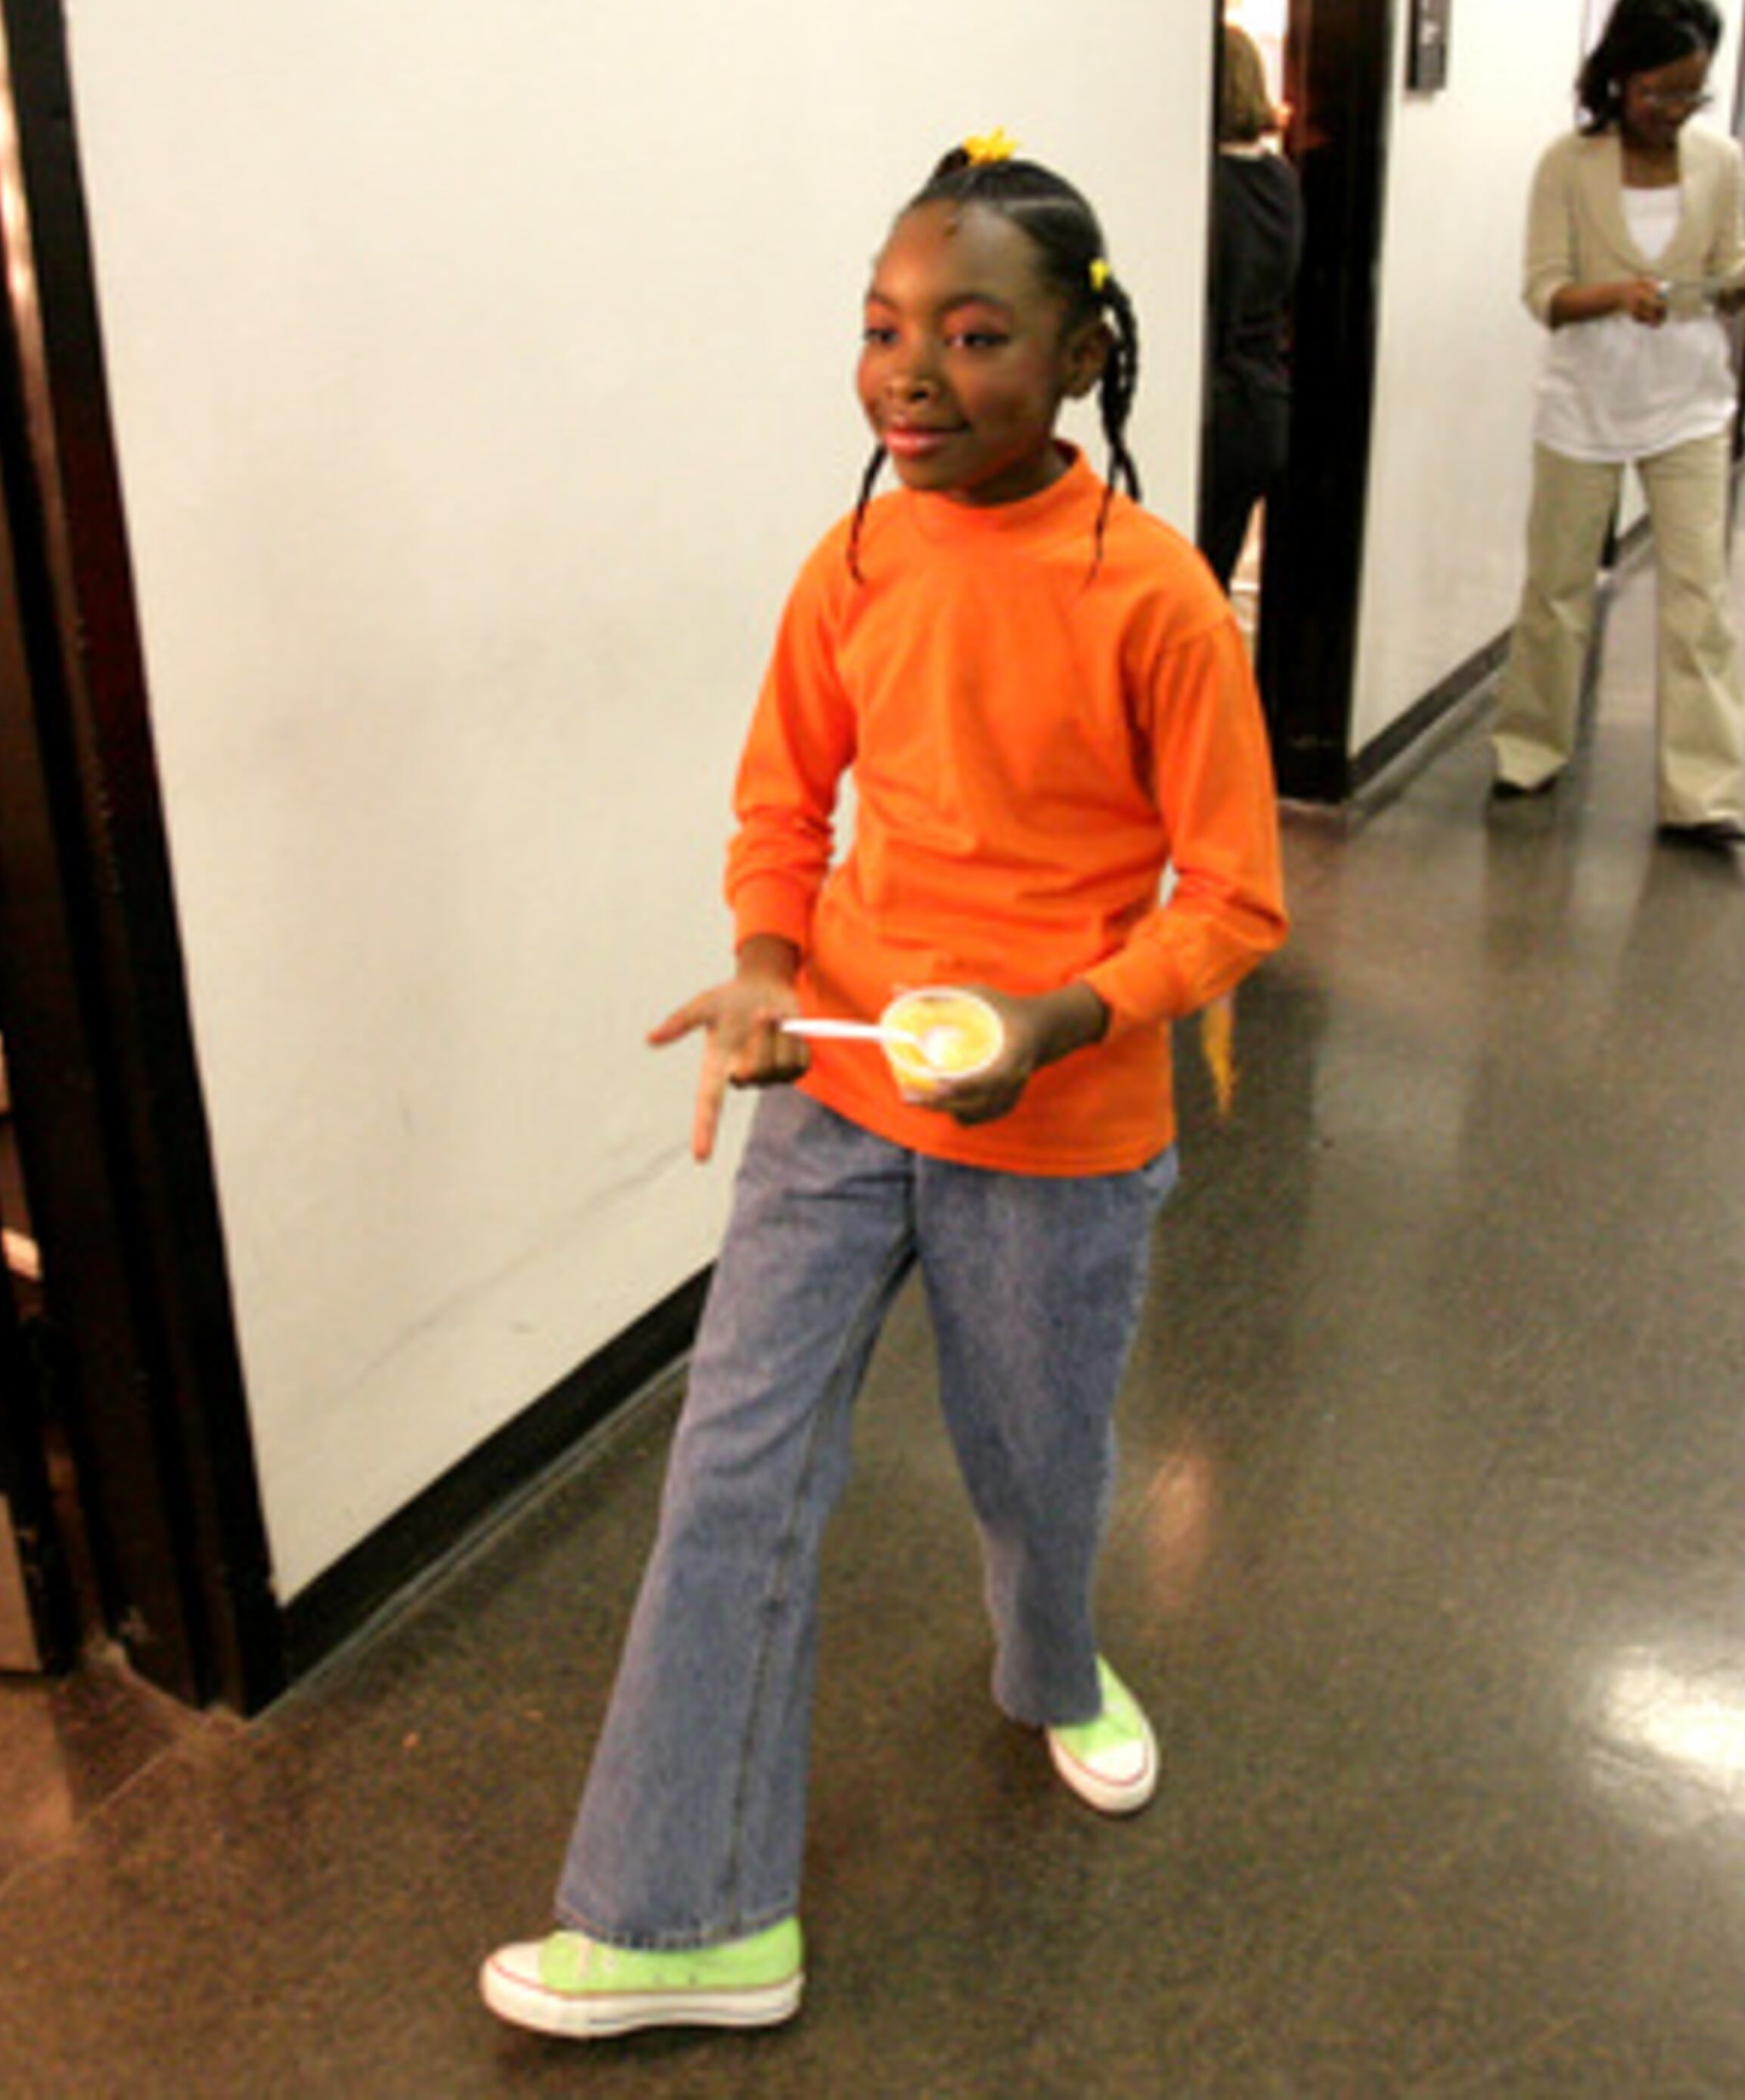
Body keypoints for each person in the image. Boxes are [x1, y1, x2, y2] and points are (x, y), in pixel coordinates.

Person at [480, 133, 1287, 2041]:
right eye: (880, 327)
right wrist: (767, 966)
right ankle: (688, 1916)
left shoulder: (1152, 594)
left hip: (1059, 1133)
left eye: (973, 334)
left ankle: (1053, 1664)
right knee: (733, 1471)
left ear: (1082, 356)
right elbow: (781, 806)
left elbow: (1232, 897)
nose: (908, 374)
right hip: (837, 1094)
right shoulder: (849, 559)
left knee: (1032, 1467)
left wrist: (1059, 1021)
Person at [1489, 0, 1745, 848]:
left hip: (1688, 404)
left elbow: (1729, 260)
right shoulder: (1567, 165)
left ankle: (1703, 793)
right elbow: (1543, 292)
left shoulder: (1720, 161)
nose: (1676, 109)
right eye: (1661, 91)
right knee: (1558, 591)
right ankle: (1529, 749)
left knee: (1701, 599)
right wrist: (1616, 294)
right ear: (1621, 77)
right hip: (1584, 404)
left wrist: (1741, 286)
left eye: (1694, 92)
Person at [1200, 24, 1303, 619]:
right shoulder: (1280, 179)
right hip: (1262, 404)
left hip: (1217, 405)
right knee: (1212, 575)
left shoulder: (1205, 188)